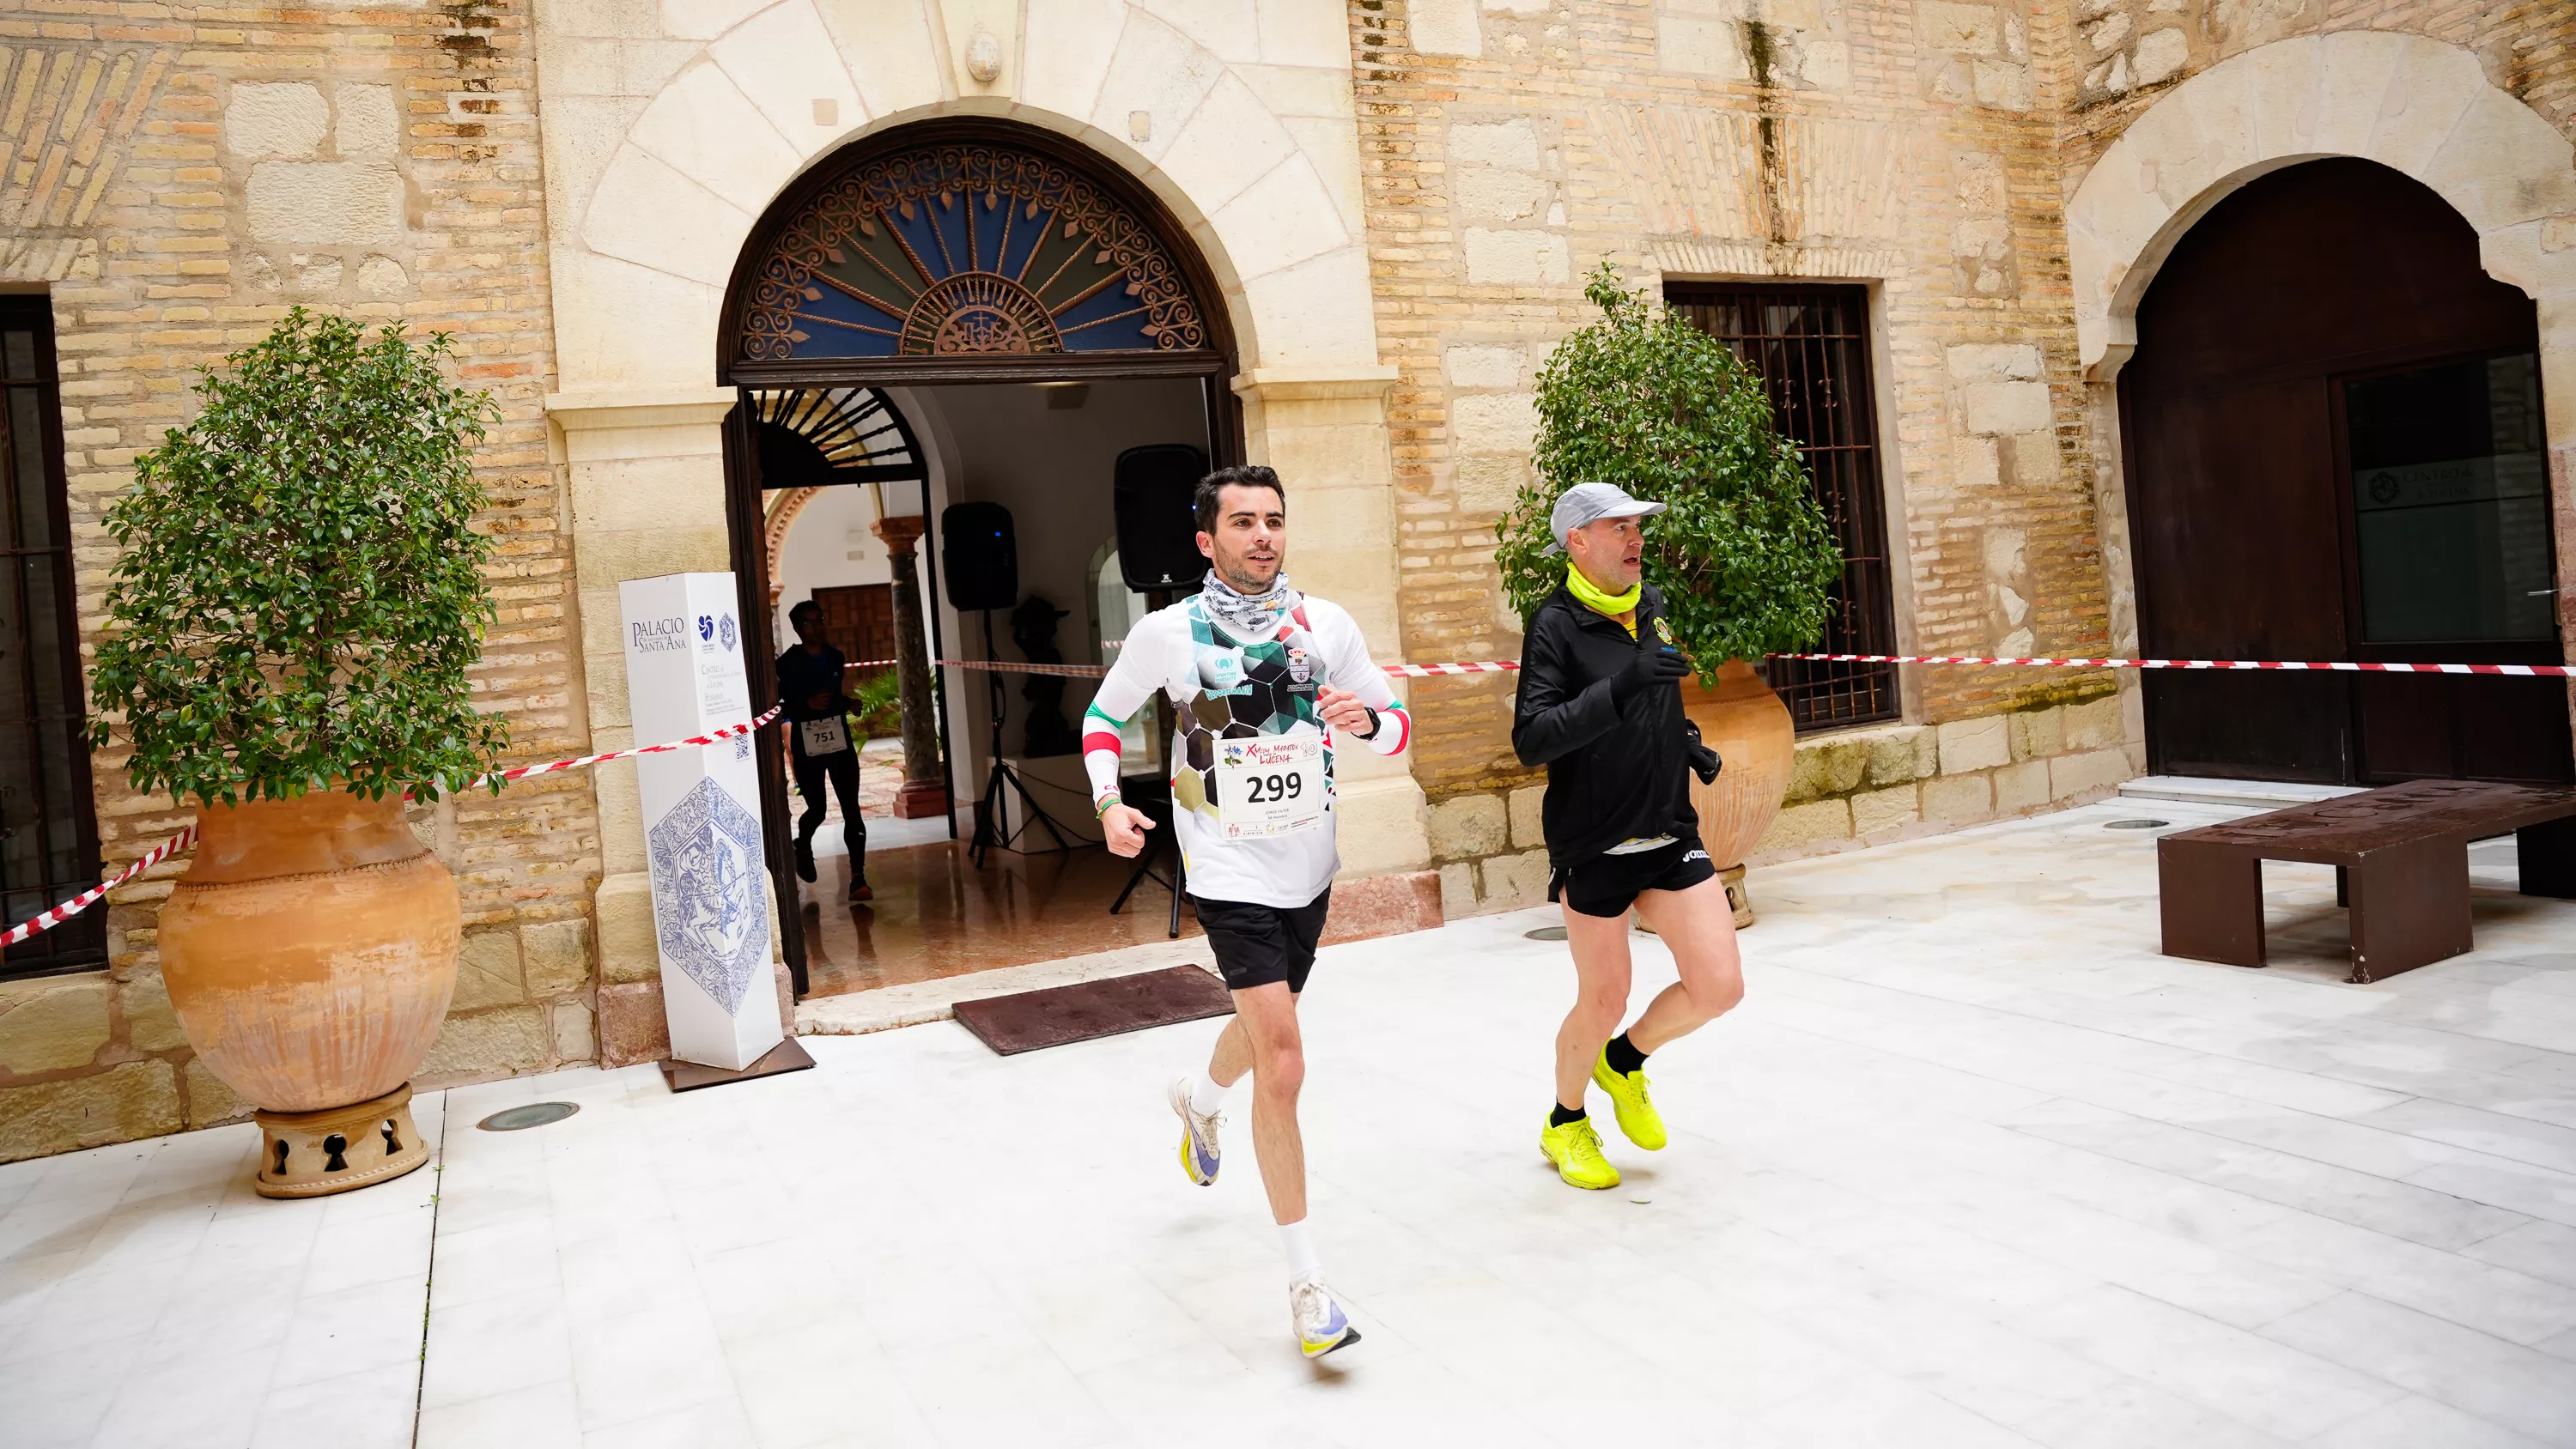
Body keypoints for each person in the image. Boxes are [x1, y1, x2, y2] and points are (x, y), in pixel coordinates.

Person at [1084, 464, 1412, 1360]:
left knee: (1269, 1029)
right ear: (1206, 541)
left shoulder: (1325, 625)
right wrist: (1111, 802)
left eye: (1273, 519)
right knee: (1286, 1059)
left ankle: (1198, 1098)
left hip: (1309, 864)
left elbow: (1398, 722)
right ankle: (1308, 1284)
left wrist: (1364, 721)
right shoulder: (1168, 633)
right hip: (1226, 868)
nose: (1262, 535)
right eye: (1242, 522)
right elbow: (1101, 718)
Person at [1511, 482, 1738, 1191]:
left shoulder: (1651, 605)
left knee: (1720, 986)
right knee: (1602, 999)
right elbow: (1532, 738)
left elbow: (1656, 696)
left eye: (1638, 526)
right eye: (1619, 528)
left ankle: (1625, 1062)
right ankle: (1565, 1121)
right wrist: (1620, 688)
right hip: (1596, 841)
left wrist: (1685, 742)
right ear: (1578, 542)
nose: (1636, 539)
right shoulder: (1554, 625)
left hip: (1668, 827)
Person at [778, 598, 871, 903]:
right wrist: (805, 705)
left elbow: (833, 697)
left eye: (820, 620)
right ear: (796, 628)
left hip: (839, 741)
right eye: (808, 622)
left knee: (851, 808)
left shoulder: (835, 656)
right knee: (817, 809)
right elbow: (779, 706)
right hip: (808, 746)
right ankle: (802, 845)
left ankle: (858, 878)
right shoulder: (787, 663)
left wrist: (849, 704)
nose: (816, 627)